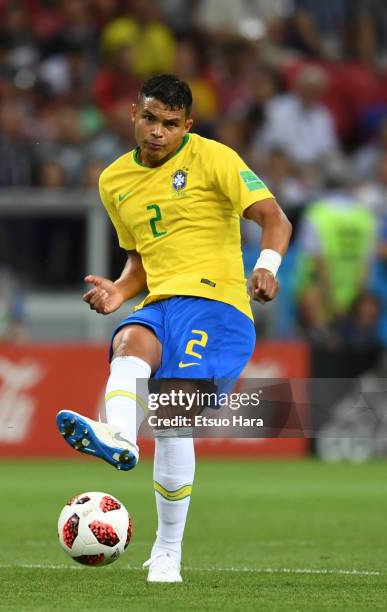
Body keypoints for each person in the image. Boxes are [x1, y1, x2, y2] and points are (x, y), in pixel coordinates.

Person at [56, 75, 292, 583]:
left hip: (218, 307)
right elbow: (139, 256)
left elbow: (275, 218)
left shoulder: (215, 158)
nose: (157, 132)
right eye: (149, 119)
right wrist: (120, 291)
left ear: (187, 125)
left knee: (170, 418)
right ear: (133, 115)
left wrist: (267, 265)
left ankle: (167, 552)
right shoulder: (114, 181)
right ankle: (120, 436)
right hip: (162, 302)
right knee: (127, 341)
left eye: (169, 124)